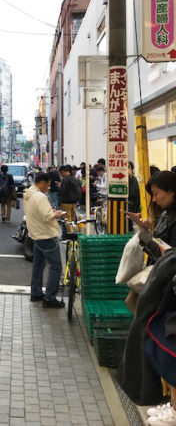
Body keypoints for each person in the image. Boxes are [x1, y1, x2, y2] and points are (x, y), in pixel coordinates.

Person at [117, 171, 176, 422]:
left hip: (168, 291)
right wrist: (145, 234)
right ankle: (170, 403)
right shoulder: (167, 215)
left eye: (157, 193)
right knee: (160, 346)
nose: (155, 198)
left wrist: (161, 249)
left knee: (166, 347)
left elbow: (168, 254)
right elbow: (160, 252)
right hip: (161, 286)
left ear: (171, 190)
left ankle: (173, 408)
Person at [24, 172, 66, 308]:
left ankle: (36, 293)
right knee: (56, 266)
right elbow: (47, 216)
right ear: (42, 183)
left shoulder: (28, 194)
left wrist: (50, 211)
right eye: (48, 185)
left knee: (38, 265)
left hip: (35, 234)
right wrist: (57, 213)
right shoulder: (40, 196)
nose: (48, 188)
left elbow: (39, 213)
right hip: (46, 235)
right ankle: (50, 298)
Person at [59, 165, 81, 233]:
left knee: (67, 219)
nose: (61, 175)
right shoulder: (75, 178)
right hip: (74, 202)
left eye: (61, 173)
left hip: (65, 202)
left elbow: (62, 191)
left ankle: (69, 234)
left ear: (63, 171)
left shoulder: (65, 179)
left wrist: (59, 187)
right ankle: (75, 233)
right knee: (73, 219)